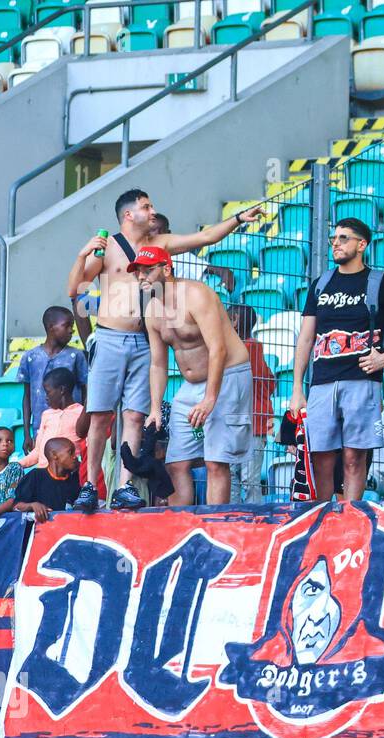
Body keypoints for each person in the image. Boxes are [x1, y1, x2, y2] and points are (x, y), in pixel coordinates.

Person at [65, 188, 263, 509]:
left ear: (166, 268)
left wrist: (239, 218)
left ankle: (126, 488)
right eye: (146, 206)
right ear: (129, 214)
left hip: (164, 349)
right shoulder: (108, 248)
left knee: (137, 418)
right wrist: (81, 255)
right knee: (104, 417)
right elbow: (75, 291)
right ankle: (90, 486)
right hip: (114, 338)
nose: (153, 211)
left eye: (152, 206)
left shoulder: (162, 250)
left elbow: (208, 237)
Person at [289, 218, 384, 502]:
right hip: (322, 383)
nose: (336, 243)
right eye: (333, 238)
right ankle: (323, 517)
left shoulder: (379, 282)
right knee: (321, 458)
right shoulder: (320, 284)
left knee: (353, 457)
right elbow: (306, 338)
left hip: (362, 383)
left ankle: (350, 517)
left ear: (362, 245)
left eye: (344, 238)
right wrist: (297, 387)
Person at [135, 246, 253, 507]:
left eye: (148, 270)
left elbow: (218, 349)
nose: (142, 277)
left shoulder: (197, 295)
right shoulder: (152, 310)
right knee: (176, 463)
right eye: (138, 272)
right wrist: (155, 408)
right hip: (191, 385)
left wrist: (211, 399)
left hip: (228, 376)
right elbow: (157, 364)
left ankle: (214, 527)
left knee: (215, 462)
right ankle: (184, 530)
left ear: (166, 269)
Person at [16, 306, 88, 456]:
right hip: (42, 428)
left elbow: (86, 393)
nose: (71, 331)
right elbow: (27, 397)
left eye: (72, 327)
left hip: (72, 427)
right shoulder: (31, 357)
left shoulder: (76, 356)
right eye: (66, 326)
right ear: (50, 327)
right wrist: (27, 434)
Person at [228, 304, 273, 504]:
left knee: (246, 479)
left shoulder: (248, 348)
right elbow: (271, 382)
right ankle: (238, 515)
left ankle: (253, 518)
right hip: (241, 421)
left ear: (235, 321)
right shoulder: (254, 348)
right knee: (235, 477)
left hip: (252, 424)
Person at [153, 213, 238, 295]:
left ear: (168, 233)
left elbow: (218, 270)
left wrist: (225, 273)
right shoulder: (143, 256)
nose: (157, 235)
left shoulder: (180, 255)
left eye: (161, 231)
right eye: (153, 230)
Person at [19, 366, 86, 469]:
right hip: (43, 473)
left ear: (62, 390)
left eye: (48, 392)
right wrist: (18, 465)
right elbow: (37, 451)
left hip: (68, 474)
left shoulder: (81, 413)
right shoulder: (47, 415)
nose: (46, 397)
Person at [13, 436, 81, 522]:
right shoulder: (35, 476)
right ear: (54, 455)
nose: (75, 457)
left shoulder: (75, 479)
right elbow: (16, 506)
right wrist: (32, 505)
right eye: (71, 452)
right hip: (40, 532)